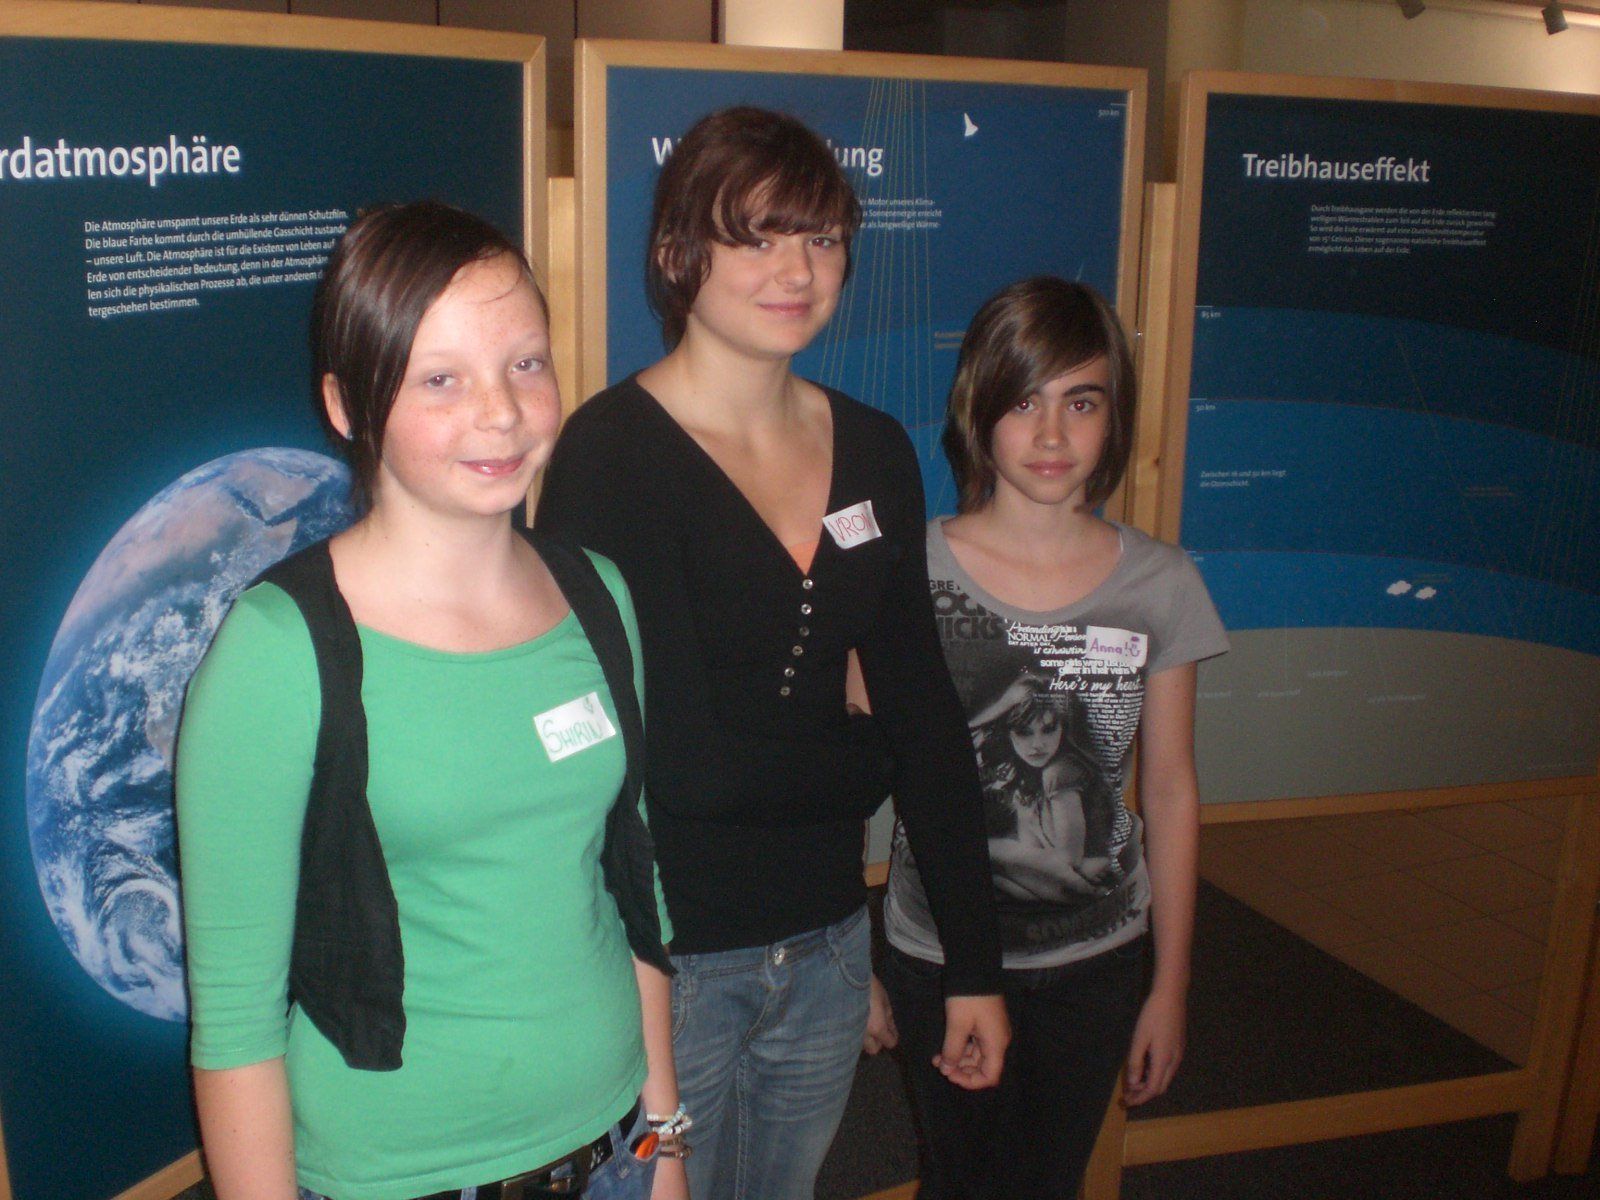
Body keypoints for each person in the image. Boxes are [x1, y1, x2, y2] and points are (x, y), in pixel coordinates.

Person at [534, 107, 1008, 1200]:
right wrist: (869, 755)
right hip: (670, 965)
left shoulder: (874, 449)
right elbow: (685, 768)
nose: (797, 270)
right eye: (756, 237)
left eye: (823, 238)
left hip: (831, 947)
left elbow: (926, 714)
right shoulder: (611, 456)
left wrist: (972, 968)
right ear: (678, 255)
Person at [176, 201, 685, 1200]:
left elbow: (637, 893)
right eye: (441, 378)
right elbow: (235, 1030)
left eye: (525, 363)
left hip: (614, 1154)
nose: (500, 412)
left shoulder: (597, 595)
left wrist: (665, 1145)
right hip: (399, 1179)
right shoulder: (279, 652)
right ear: (348, 405)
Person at [881, 277, 1229, 1199]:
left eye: (1081, 403)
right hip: (939, 950)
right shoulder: (910, 571)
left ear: (1114, 419)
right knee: (959, 1181)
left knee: (1047, 1182)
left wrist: (1170, 986)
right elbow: (847, 767)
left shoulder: (1161, 584)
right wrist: (850, 966)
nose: (1049, 435)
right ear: (978, 408)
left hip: (1095, 961)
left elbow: (1170, 790)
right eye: (1023, 401)